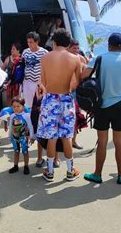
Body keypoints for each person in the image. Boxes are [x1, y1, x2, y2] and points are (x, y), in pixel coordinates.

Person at [81, 33, 121, 184]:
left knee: (102, 142)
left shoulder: (99, 58)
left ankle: (97, 174)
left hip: (101, 105)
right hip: (119, 106)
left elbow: (84, 75)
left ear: (109, 44)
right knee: (119, 142)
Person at [37, 28, 82, 182]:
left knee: (51, 137)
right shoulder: (75, 59)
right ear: (68, 43)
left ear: (54, 42)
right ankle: (70, 171)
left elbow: (42, 82)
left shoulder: (45, 58)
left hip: (50, 99)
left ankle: (49, 172)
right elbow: (78, 81)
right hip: (67, 100)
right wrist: (68, 88)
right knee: (67, 137)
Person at [3, 97, 35, 175]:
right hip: (14, 138)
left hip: (23, 138)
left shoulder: (26, 115)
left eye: (18, 106)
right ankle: (15, 166)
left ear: (23, 107)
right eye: (14, 107)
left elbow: (30, 126)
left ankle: (26, 166)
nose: (16, 108)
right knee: (16, 151)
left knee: (25, 151)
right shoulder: (12, 115)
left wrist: (32, 137)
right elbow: (10, 126)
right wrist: (10, 135)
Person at [68, 39, 88, 150]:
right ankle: (63, 142)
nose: (76, 50)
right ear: (68, 48)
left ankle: (74, 141)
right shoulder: (64, 59)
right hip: (65, 91)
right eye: (73, 48)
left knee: (76, 118)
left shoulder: (81, 58)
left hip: (77, 92)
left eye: (77, 48)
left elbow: (86, 74)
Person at [21, 32, 48, 108]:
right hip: (27, 82)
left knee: (39, 104)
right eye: (28, 42)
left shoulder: (44, 52)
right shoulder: (25, 52)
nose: (29, 44)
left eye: (31, 42)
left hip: (39, 83)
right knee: (27, 104)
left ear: (37, 42)